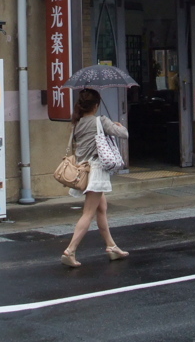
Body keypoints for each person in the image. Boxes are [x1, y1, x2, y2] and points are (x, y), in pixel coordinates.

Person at [61, 88, 130, 267]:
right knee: (89, 213)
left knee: (101, 208)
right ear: (96, 105)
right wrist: (119, 126)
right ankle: (70, 250)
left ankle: (111, 246)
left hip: (83, 170)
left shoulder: (77, 123)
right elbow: (124, 134)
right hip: (96, 171)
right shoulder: (101, 121)